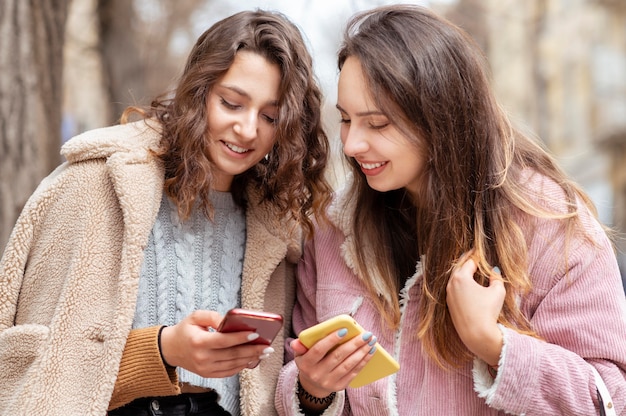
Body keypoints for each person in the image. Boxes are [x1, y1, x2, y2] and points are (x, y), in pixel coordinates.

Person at [275, 4, 626, 415]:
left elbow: (609, 400)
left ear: (438, 119)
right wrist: (312, 389)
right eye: (347, 120)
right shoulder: (332, 227)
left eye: (377, 123)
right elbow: (297, 375)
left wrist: (491, 343)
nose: (351, 145)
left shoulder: (549, 223)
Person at [0, 9, 332, 416]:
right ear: (198, 90)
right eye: (231, 103)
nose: (248, 130)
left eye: (270, 117)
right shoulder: (96, 182)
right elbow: (29, 372)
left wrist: (316, 390)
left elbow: (279, 393)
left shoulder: (278, 230)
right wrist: (162, 351)